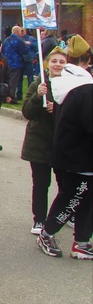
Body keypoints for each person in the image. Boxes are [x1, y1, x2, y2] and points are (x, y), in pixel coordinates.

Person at [37, 58, 93, 260]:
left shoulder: (69, 91)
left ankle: (82, 242)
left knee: (86, 201)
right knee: (73, 199)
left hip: (73, 156)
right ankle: (47, 233)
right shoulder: (85, 92)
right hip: (77, 159)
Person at [20, 47, 66, 236]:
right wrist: (38, 97)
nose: (57, 65)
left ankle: (63, 215)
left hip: (63, 143)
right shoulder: (38, 85)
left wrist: (59, 109)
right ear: (47, 64)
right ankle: (39, 218)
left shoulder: (71, 86)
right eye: (54, 61)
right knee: (41, 183)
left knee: (64, 184)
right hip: (39, 142)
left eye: (62, 62)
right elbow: (27, 113)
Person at [2, 26, 28, 102]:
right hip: (16, 63)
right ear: (17, 32)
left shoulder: (6, 40)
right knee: (14, 81)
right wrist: (27, 45)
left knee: (7, 80)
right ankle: (11, 97)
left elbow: (3, 51)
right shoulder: (18, 40)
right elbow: (25, 51)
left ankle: (4, 95)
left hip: (7, 63)